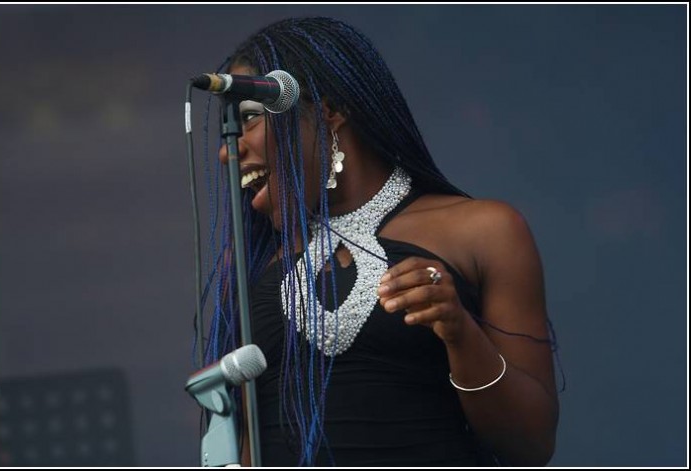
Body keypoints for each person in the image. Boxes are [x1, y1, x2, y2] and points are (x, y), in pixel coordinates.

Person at [205, 16, 559, 467]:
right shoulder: (249, 264)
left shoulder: (484, 229)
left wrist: (459, 331)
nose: (226, 149)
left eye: (251, 117)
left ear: (330, 110)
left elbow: (531, 445)